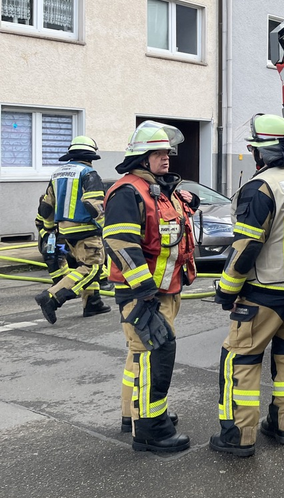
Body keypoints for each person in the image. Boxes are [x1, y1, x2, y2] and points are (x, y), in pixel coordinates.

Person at [209, 113, 284, 457]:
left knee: (241, 359)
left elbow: (245, 247)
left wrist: (227, 289)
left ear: (265, 152)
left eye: (254, 149)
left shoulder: (262, 187)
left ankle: (239, 437)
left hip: (264, 293)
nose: (253, 155)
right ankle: (283, 427)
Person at [103, 121, 198, 453]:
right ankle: (149, 431)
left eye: (167, 152)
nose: (166, 157)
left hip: (165, 290)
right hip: (144, 294)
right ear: (141, 158)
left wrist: (188, 202)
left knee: (138, 355)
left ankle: (133, 414)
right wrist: (144, 292)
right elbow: (120, 241)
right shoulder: (128, 192)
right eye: (158, 153)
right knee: (153, 355)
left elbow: (168, 231)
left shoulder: (156, 189)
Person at [34, 137, 111, 323]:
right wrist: (107, 228)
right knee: (92, 267)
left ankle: (92, 303)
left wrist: (50, 230)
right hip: (86, 229)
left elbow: (46, 206)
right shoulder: (89, 173)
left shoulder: (58, 174)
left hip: (64, 230)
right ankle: (52, 297)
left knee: (83, 264)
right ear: (90, 156)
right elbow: (94, 206)